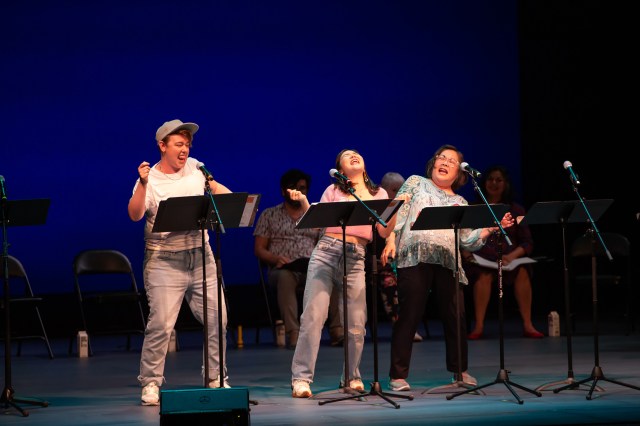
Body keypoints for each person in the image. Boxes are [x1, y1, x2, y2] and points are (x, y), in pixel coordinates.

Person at [386, 144, 514, 392]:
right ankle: (398, 375)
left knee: (456, 317)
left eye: (451, 161)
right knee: (409, 315)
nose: (444, 162)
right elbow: (397, 214)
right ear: (433, 163)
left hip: (447, 261)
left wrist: (491, 228)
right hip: (415, 255)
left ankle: (460, 371)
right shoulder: (415, 183)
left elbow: (467, 240)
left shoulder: (460, 201)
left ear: (459, 173)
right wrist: (391, 239)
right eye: (441, 158)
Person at [128, 119, 233, 406]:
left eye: (187, 144)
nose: (184, 149)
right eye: (178, 144)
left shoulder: (197, 169)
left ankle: (215, 376)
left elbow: (223, 196)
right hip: (164, 259)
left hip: (201, 255)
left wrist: (231, 199)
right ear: (162, 146)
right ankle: (150, 382)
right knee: (161, 323)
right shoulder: (151, 178)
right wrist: (142, 183)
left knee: (218, 318)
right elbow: (135, 215)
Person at [289, 149, 409, 398]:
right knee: (313, 317)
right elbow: (319, 221)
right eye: (346, 156)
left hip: (356, 256)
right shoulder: (333, 191)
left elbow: (384, 232)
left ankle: (352, 376)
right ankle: (301, 378)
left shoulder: (379, 194)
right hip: (326, 252)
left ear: (364, 166)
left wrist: (396, 209)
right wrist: (303, 202)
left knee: (356, 323)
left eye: (356, 154)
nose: (353, 156)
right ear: (340, 170)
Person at [253, 169, 343, 350]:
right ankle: (293, 333)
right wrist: (275, 258)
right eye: (292, 187)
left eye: (302, 188)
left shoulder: (314, 214)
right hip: (283, 268)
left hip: (312, 265)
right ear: (282, 190)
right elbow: (259, 249)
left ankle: (337, 331)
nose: (297, 191)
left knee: (332, 275)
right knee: (285, 278)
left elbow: (325, 242)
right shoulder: (269, 215)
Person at [461, 165, 544, 340]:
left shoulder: (516, 209)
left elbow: (527, 242)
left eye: (499, 180)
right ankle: (478, 326)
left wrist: (511, 257)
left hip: (509, 260)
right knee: (483, 275)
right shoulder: (474, 207)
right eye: (490, 179)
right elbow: (464, 237)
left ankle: (528, 324)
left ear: (506, 184)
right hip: (481, 260)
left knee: (522, 272)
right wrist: (467, 254)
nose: (494, 183)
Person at [371, 172, 424, 342]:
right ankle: (401, 326)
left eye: (402, 189)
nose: (399, 193)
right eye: (395, 189)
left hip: (405, 260)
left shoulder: (409, 209)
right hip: (381, 263)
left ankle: (410, 325)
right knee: (389, 280)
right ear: (383, 189)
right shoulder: (378, 209)